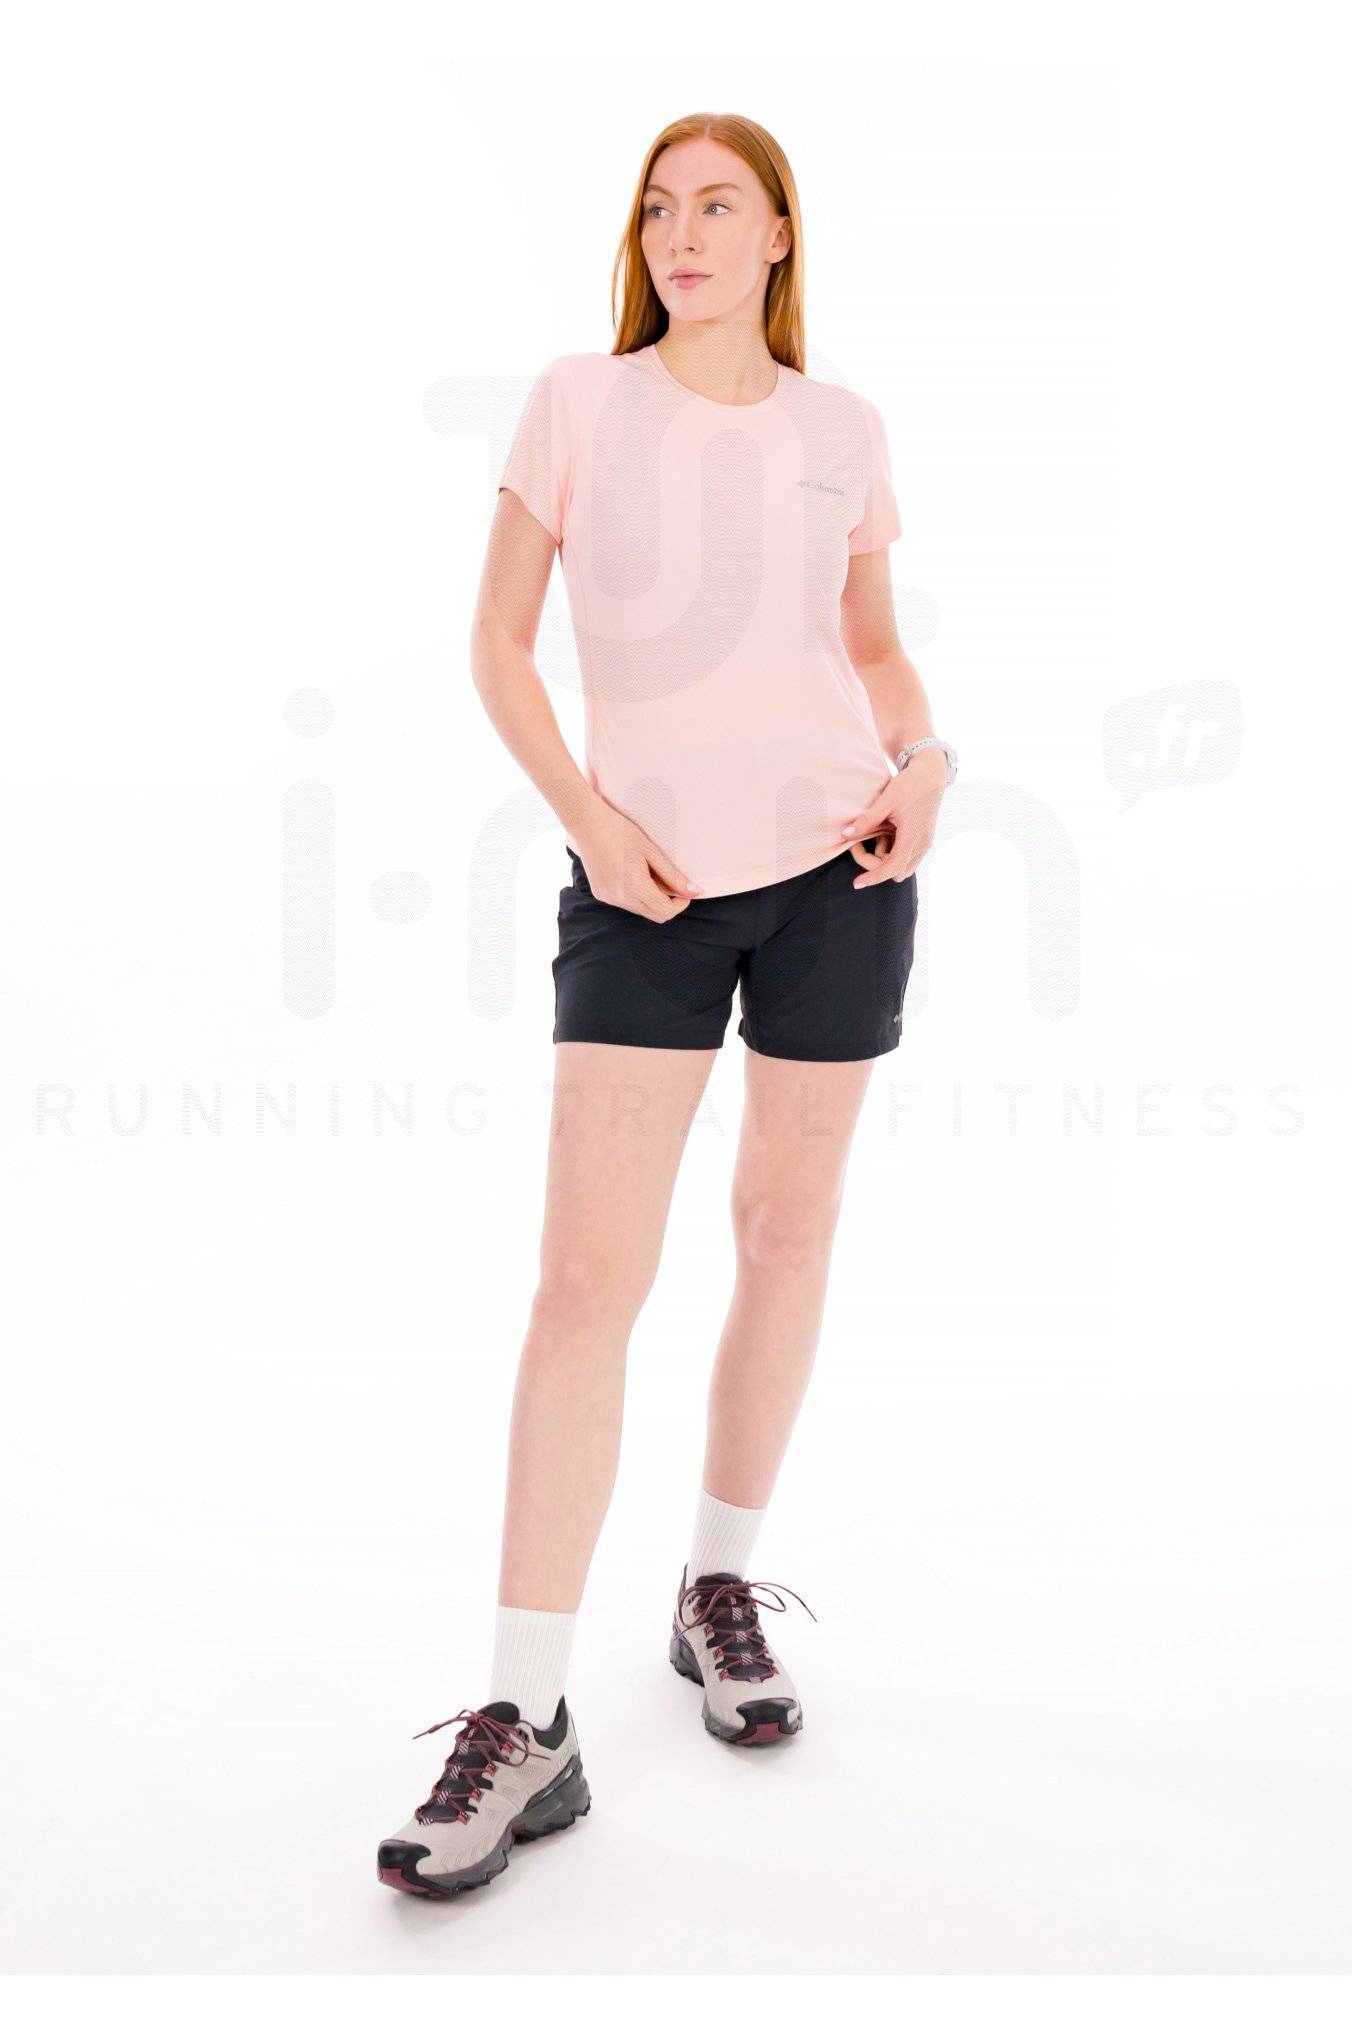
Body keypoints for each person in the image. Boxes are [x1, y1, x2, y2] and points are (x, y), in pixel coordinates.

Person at [377, 111, 956, 1901]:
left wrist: (928, 758)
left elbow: (873, 647)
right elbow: (496, 641)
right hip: (643, 889)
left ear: (779, 234)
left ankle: (717, 1587)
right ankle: (524, 1714)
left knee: (785, 1235)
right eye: (657, 207)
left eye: (717, 205)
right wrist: (590, 823)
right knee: (583, 1284)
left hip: (842, 871)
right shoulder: (580, 402)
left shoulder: (842, 429)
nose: (680, 232)